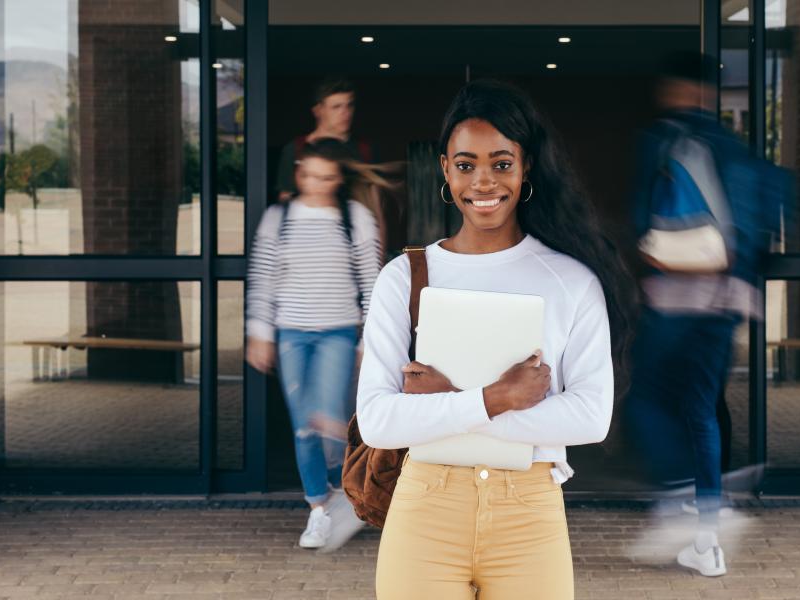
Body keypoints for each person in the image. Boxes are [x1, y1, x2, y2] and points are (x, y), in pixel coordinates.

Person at [355, 80, 636, 599]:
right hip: (426, 510)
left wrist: (448, 407)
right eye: (465, 165)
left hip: (528, 514)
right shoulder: (405, 276)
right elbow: (378, 420)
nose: (483, 181)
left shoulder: (572, 279)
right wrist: (496, 398)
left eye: (501, 163)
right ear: (445, 169)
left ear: (526, 166)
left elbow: (590, 417)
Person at [624, 51, 785, 577]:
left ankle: (678, 498)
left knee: (643, 400)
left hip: (675, 294)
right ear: (710, 94)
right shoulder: (735, 146)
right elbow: (769, 212)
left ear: (672, 89)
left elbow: (638, 218)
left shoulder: (663, 138)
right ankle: (709, 536)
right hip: (728, 298)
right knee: (701, 408)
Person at [246, 138, 382, 551]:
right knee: (304, 424)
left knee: (325, 415)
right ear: (300, 172)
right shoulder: (279, 218)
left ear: (338, 178)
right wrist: (259, 332)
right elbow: (263, 277)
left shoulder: (353, 217)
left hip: (337, 332)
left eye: (326, 177)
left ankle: (348, 493)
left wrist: (367, 339)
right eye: (309, 175)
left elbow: (372, 280)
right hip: (290, 333)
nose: (317, 184)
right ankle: (319, 509)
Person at [274, 77, 375, 202]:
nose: (345, 113)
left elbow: (375, 200)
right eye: (336, 107)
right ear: (318, 111)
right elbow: (285, 199)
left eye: (349, 105)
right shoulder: (296, 148)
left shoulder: (365, 150)